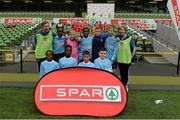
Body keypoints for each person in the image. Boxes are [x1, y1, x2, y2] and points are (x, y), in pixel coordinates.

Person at [116, 26, 136, 91]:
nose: (121, 31)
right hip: (120, 59)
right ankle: (122, 85)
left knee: (126, 74)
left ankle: (125, 85)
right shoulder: (118, 38)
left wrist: (131, 57)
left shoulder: (130, 38)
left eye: (122, 30)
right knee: (121, 74)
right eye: (120, 30)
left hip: (127, 60)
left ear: (125, 30)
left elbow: (134, 48)